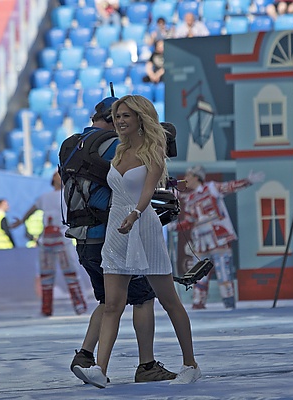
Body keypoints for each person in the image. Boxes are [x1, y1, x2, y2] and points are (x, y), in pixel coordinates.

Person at [73, 95, 201, 388]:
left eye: (126, 116)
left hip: (143, 228)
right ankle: (100, 369)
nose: (120, 121)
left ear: (140, 118)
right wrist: (126, 216)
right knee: (112, 304)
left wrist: (135, 214)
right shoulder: (119, 150)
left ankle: (191, 364)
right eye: (117, 116)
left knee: (169, 301)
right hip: (117, 229)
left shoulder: (153, 150)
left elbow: (147, 190)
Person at [178, 165, 265, 310]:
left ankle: (229, 303)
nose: (186, 178)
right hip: (201, 241)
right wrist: (175, 226)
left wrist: (247, 181)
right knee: (198, 272)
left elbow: (230, 186)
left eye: (188, 175)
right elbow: (190, 221)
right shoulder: (190, 199)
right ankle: (198, 302)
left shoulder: (212, 188)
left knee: (223, 270)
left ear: (196, 177)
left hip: (218, 237)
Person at [10, 172, 88, 317]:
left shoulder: (69, 194)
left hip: (63, 239)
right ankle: (46, 309)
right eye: (57, 175)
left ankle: (80, 306)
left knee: (71, 272)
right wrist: (21, 220)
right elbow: (33, 209)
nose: (60, 177)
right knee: (46, 275)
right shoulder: (45, 197)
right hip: (46, 240)